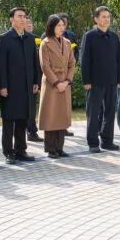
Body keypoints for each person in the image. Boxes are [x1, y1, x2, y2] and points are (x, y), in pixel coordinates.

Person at [0, 7, 40, 164]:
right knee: (9, 121)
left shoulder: (30, 38)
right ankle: (8, 152)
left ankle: (21, 150)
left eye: (25, 16)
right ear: (11, 19)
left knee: (23, 119)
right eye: (19, 16)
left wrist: (36, 81)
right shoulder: (4, 39)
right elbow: (0, 65)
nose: (23, 19)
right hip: (10, 87)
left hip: (26, 86)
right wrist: (2, 86)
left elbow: (35, 62)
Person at [80, 6, 120, 153]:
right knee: (93, 113)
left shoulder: (114, 37)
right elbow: (84, 59)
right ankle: (93, 142)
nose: (107, 19)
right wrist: (86, 80)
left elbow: (119, 60)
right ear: (96, 19)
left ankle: (107, 141)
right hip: (95, 82)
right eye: (103, 16)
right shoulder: (89, 36)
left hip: (111, 81)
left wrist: (119, 78)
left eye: (108, 17)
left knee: (110, 112)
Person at [38, 14, 75, 158]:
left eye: (62, 25)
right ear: (51, 27)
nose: (61, 28)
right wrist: (57, 82)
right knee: (51, 116)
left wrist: (67, 81)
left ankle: (60, 147)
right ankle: (50, 148)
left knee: (62, 116)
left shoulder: (67, 42)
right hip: (52, 84)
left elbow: (72, 64)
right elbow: (45, 66)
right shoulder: (45, 43)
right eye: (58, 25)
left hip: (65, 83)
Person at [57, 12, 78, 138]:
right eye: (61, 23)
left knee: (66, 104)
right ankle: (55, 127)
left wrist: (72, 65)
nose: (63, 26)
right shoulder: (46, 37)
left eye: (65, 23)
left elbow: (76, 53)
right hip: (54, 77)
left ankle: (64, 127)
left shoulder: (70, 36)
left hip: (67, 75)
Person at [25, 16, 44, 144]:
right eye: (26, 23)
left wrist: (37, 81)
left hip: (34, 79)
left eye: (30, 23)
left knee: (32, 107)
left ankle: (32, 131)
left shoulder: (37, 39)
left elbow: (38, 63)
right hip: (21, 80)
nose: (29, 25)